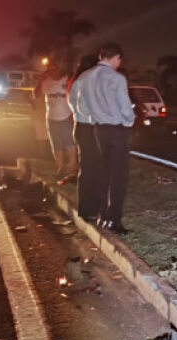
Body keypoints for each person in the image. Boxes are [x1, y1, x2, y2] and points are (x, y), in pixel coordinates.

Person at [77, 42, 135, 235]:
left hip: (98, 129)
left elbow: (81, 108)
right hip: (117, 129)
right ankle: (114, 219)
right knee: (118, 177)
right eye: (119, 60)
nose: (119, 64)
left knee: (103, 174)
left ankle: (102, 214)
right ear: (115, 57)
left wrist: (94, 117)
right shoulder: (117, 78)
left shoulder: (85, 77)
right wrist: (129, 123)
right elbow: (125, 107)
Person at [68, 55, 101, 220]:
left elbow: (75, 105)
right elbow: (83, 107)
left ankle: (89, 208)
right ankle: (89, 209)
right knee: (90, 169)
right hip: (88, 128)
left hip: (82, 127)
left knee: (90, 168)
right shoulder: (86, 81)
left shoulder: (78, 81)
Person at [34, 61, 78, 183]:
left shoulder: (67, 80)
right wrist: (40, 81)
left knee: (70, 142)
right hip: (51, 118)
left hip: (66, 116)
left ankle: (72, 167)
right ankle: (61, 167)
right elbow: (36, 95)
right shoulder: (46, 83)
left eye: (55, 69)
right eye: (51, 70)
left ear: (59, 69)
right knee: (56, 144)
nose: (54, 72)